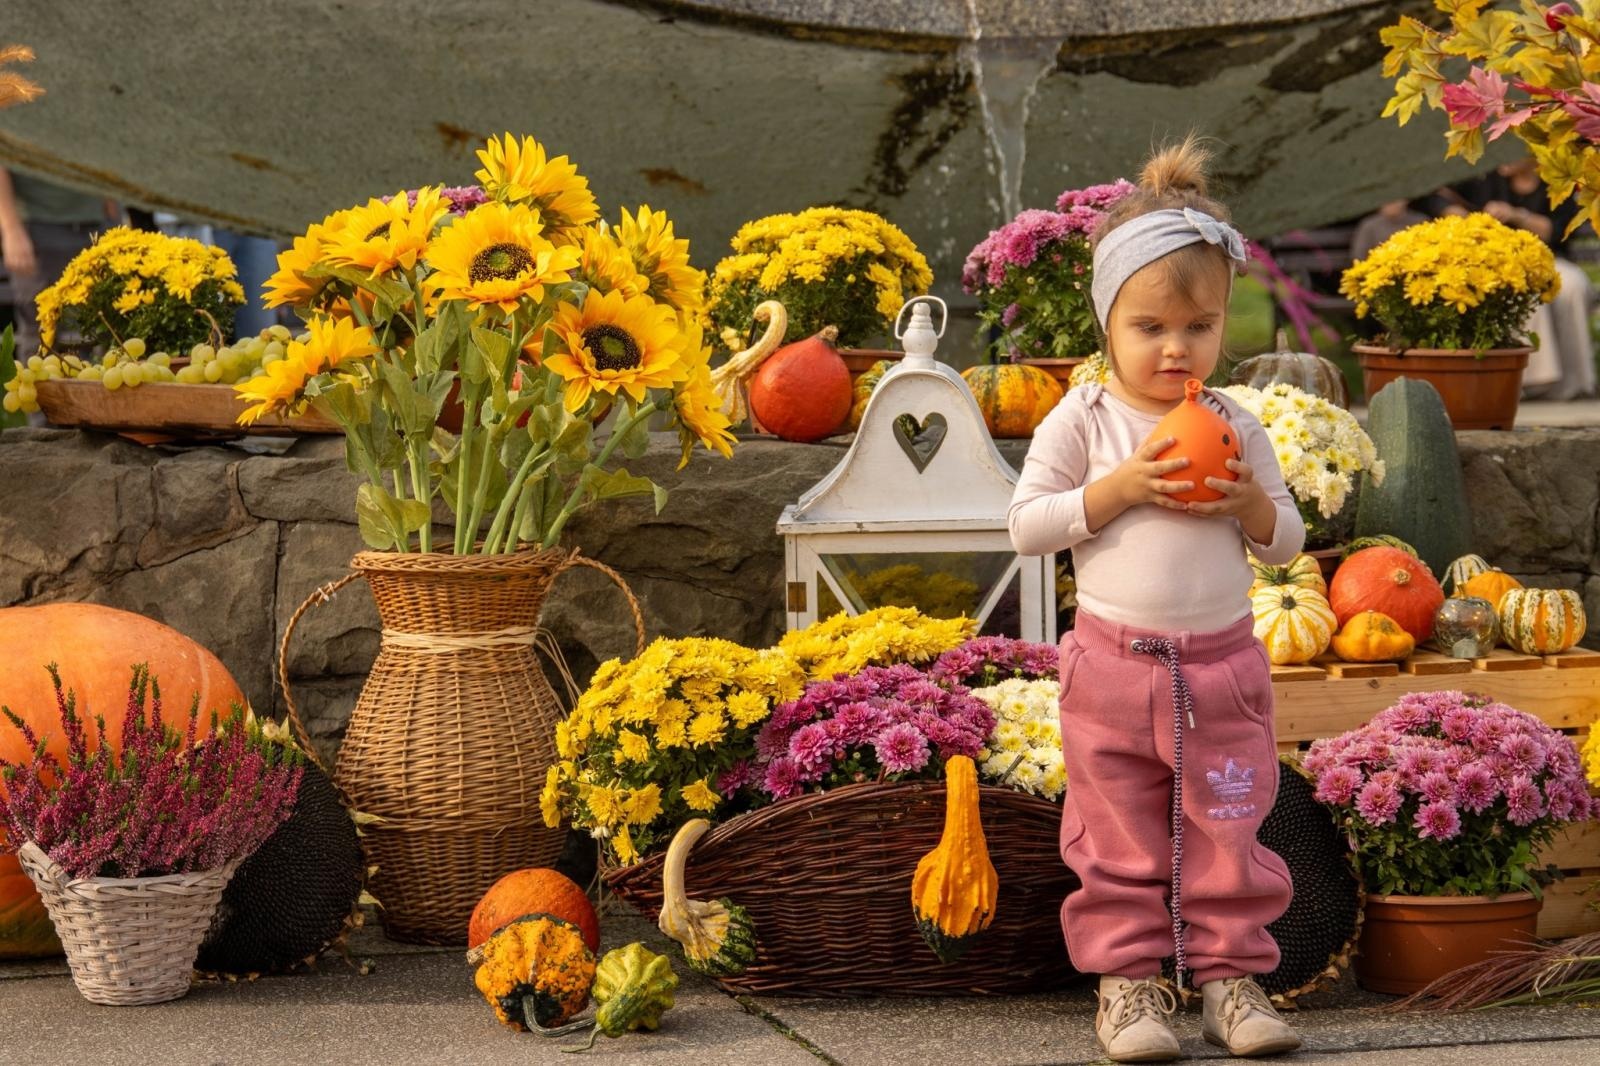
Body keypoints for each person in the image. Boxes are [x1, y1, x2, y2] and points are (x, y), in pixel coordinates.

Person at [1008, 136, 1305, 1063]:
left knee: (1229, 823)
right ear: (1108, 324)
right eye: (1150, 328)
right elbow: (1027, 525)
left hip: (1222, 669)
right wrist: (1121, 490)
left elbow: (1289, 541)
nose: (1176, 348)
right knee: (1118, 832)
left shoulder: (1235, 423)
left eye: (1200, 327)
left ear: (1222, 325)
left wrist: (1252, 503)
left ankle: (1229, 979)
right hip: (1113, 670)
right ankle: (1131, 988)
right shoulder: (1085, 420)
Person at [1438, 159, 1597, 401]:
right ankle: (1536, 382)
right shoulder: (1485, 179)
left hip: (1547, 258)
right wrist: (1457, 215)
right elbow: (1438, 193)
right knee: (1524, 287)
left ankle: (1576, 384)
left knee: (1574, 286)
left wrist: (1517, 215)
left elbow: (1554, 231)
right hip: (1498, 261)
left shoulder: (1555, 183)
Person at [0, 168, 113, 356]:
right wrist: (11, 230)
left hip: (94, 224)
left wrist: (112, 212)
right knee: (40, 337)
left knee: (88, 333)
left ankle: (82, 386)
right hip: (36, 227)